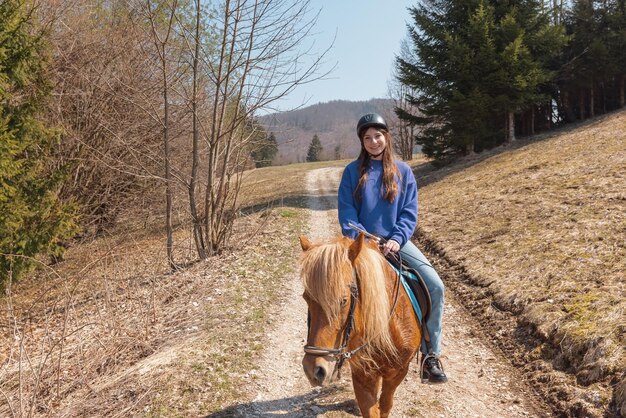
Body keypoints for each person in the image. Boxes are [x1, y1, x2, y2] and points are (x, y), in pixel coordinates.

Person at [337, 113, 448, 384]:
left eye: (378, 135)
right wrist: (363, 238)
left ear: (387, 137)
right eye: (367, 137)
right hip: (363, 244)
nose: (374, 141)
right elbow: (347, 212)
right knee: (338, 291)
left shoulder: (403, 171)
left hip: (398, 243)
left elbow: (409, 211)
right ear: (361, 142)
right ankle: (338, 351)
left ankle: (430, 354)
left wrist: (397, 238)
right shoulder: (353, 172)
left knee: (435, 286)